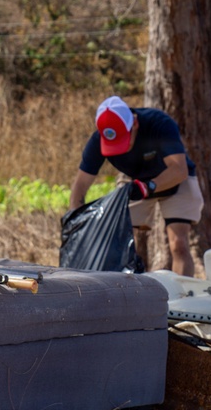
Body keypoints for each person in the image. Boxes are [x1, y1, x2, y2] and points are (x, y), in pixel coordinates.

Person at [68, 96, 203, 277]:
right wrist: (74, 219)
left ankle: (182, 292)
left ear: (135, 124)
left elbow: (179, 169)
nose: (121, 148)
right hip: (135, 183)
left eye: (123, 139)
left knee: (178, 244)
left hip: (174, 179)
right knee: (120, 245)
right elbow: (81, 183)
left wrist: (149, 186)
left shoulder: (159, 124)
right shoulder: (97, 141)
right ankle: (127, 289)